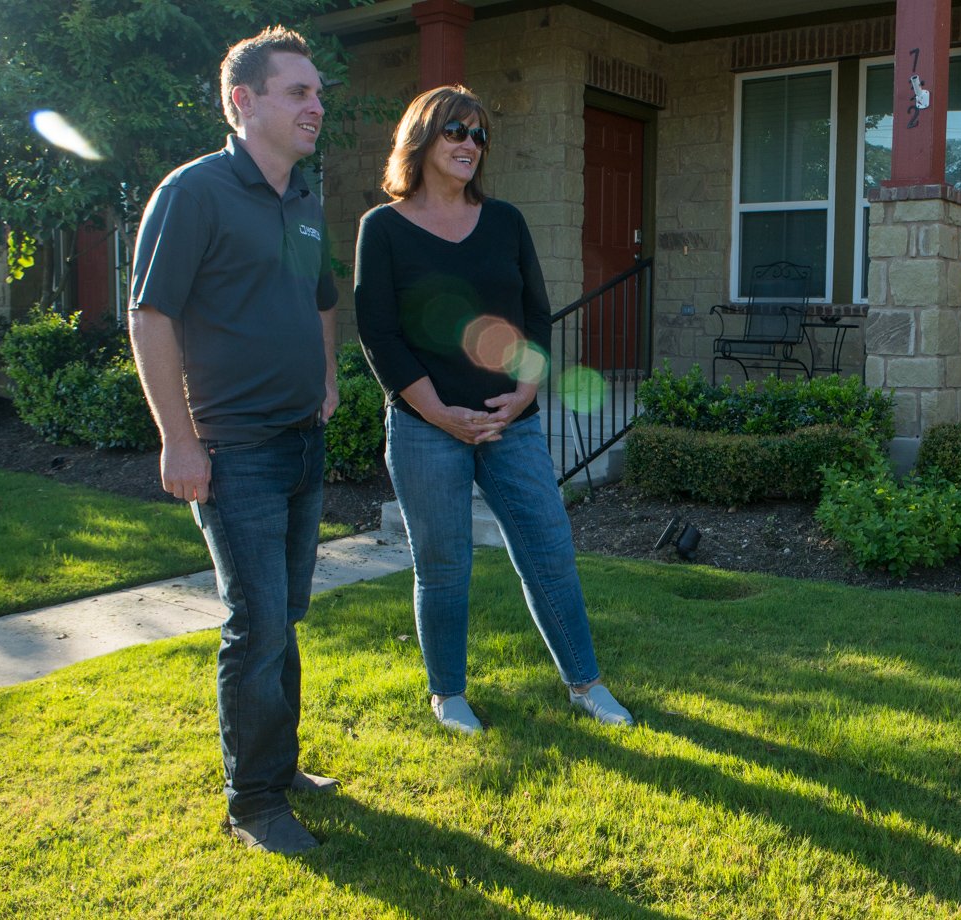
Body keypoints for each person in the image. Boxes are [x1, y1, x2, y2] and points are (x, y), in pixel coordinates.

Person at [354, 85, 633, 734]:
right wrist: (437, 411)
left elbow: (536, 314)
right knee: (445, 564)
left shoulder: (505, 221)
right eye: (457, 131)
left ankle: (585, 683)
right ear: (422, 138)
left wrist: (528, 390)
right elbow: (379, 334)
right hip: (428, 429)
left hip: (512, 424)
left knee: (548, 549)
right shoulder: (383, 229)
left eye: (480, 136)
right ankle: (447, 694)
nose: (470, 146)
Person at [129, 26, 340, 855]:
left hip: (300, 442)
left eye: (319, 92)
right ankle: (254, 802)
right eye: (299, 92)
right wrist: (177, 441)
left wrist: (324, 379)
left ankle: (277, 766)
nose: (317, 106)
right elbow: (150, 316)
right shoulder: (195, 192)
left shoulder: (305, 199)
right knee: (255, 623)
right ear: (242, 102)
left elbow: (322, 298)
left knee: (283, 615)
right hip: (234, 449)